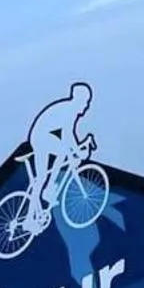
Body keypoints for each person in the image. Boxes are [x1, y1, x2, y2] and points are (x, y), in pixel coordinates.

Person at [24, 83, 95, 214]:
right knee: (40, 179)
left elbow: (65, 136)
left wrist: (76, 151)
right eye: (86, 102)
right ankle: (29, 218)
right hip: (41, 138)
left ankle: (49, 189)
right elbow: (68, 134)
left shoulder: (68, 109)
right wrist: (78, 152)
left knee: (63, 152)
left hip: (46, 135)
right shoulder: (69, 111)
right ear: (79, 101)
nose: (87, 106)